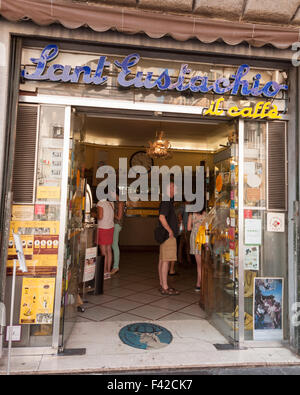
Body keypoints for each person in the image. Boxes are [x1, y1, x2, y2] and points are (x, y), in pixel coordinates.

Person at [158, 181, 180, 296]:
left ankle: (163, 284)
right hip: (168, 236)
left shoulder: (168, 201)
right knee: (166, 260)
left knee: (162, 260)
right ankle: (165, 287)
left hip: (165, 236)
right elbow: (161, 217)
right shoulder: (167, 201)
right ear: (169, 189)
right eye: (173, 187)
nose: (176, 189)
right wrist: (170, 230)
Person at [187, 208, 207, 292]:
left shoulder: (191, 214)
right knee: (204, 263)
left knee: (199, 264)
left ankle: (199, 284)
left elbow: (188, 228)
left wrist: (195, 227)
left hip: (195, 239)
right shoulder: (205, 214)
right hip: (204, 238)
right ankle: (202, 283)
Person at [97, 198, 114, 280]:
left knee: (103, 251)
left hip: (102, 228)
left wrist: (94, 214)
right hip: (110, 227)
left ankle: (104, 272)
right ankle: (108, 272)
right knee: (109, 250)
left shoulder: (100, 203)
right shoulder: (110, 203)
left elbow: (100, 216)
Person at [111, 189, 125, 275]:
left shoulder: (120, 202)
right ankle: (115, 265)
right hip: (116, 225)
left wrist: (111, 212)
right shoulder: (118, 201)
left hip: (117, 225)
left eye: (112, 193)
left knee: (114, 245)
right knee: (114, 245)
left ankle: (116, 266)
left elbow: (119, 217)